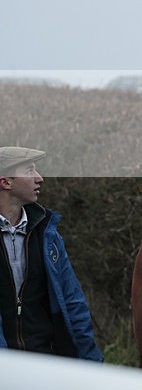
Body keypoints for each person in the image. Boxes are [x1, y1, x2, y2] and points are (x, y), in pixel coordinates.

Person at [0, 146, 103, 361]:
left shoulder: (48, 235)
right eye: (29, 171)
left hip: (44, 363)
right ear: (6, 182)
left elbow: (72, 302)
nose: (40, 179)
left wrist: (91, 363)